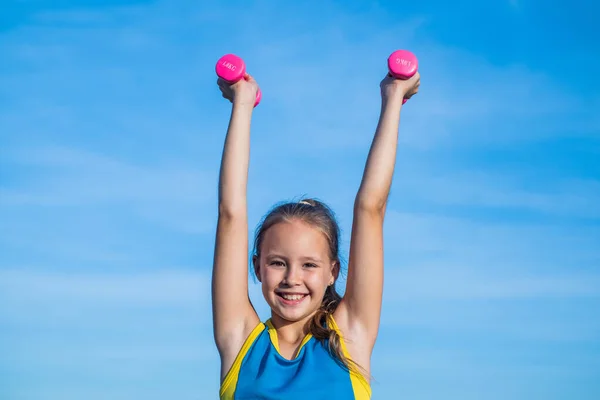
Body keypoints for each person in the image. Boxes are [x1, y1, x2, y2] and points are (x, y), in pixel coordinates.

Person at [212, 64, 420, 399]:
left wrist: (393, 97)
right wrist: (242, 103)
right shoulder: (240, 340)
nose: (292, 278)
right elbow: (230, 215)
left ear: (332, 272)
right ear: (257, 266)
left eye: (309, 265)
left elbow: (371, 209)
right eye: (278, 262)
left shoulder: (351, 336)